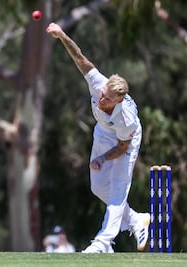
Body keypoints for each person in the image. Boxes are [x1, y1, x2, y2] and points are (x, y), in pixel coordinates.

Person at [46, 23, 150, 253]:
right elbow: (80, 58)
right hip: (104, 132)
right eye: (103, 94)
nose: (102, 99)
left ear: (119, 101)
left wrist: (103, 158)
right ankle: (135, 220)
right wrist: (62, 35)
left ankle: (103, 243)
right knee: (98, 187)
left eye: (108, 99)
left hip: (126, 142)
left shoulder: (126, 120)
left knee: (117, 192)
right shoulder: (99, 84)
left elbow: (123, 146)